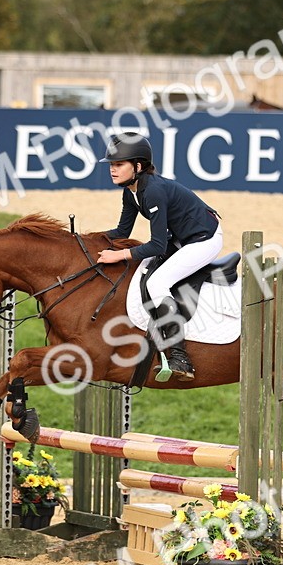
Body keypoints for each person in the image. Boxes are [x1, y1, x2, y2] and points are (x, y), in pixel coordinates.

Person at [96, 133, 223, 382]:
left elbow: (156, 245)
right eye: (111, 164)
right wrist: (87, 239)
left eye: (119, 164)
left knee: (156, 283)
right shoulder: (130, 191)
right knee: (143, 273)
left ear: (138, 167)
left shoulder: (152, 191)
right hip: (182, 236)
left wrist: (119, 255)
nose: (113, 170)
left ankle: (180, 357)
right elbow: (122, 232)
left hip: (204, 239)